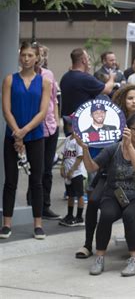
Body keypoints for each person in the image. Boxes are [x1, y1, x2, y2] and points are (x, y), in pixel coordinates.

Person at [77, 115, 135, 277]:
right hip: (114, 194)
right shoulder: (113, 149)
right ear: (127, 130)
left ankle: (134, 259)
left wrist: (130, 146)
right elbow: (91, 168)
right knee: (106, 214)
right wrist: (84, 149)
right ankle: (99, 257)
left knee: (129, 214)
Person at [0, 41, 52, 239]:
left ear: (37, 58)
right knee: (10, 180)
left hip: (35, 136)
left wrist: (24, 131)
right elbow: (6, 109)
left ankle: (38, 224)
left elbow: (43, 111)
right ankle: (6, 224)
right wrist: (16, 132)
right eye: (23, 55)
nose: (26, 59)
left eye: (30, 55)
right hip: (12, 135)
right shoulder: (9, 80)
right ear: (19, 57)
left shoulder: (45, 81)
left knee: (36, 180)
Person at [34, 44, 61, 220]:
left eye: (44, 54)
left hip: (51, 126)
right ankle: (33, 204)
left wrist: (57, 121)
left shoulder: (48, 74)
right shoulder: (26, 77)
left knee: (48, 169)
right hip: (35, 127)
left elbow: (54, 99)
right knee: (37, 168)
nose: (41, 57)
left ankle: (45, 206)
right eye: (39, 54)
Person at [60, 48, 115, 118]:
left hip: (68, 119)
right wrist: (111, 77)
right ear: (83, 60)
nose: (89, 61)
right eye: (88, 59)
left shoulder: (65, 77)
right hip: (81, 120)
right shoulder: (84, 78)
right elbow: (107, 89)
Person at [59, 116, 87, 226]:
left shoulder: (78, 140)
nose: (68, 126)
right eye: (67, 124)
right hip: (68, 173)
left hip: (77, 172)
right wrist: (62, 168)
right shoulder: (67, 139)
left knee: (79, 195)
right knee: (70, 194)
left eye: (70, 124)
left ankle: (79, 217)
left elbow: (80, 157)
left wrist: (72, 170)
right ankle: (70, 214)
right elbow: (64, 156)